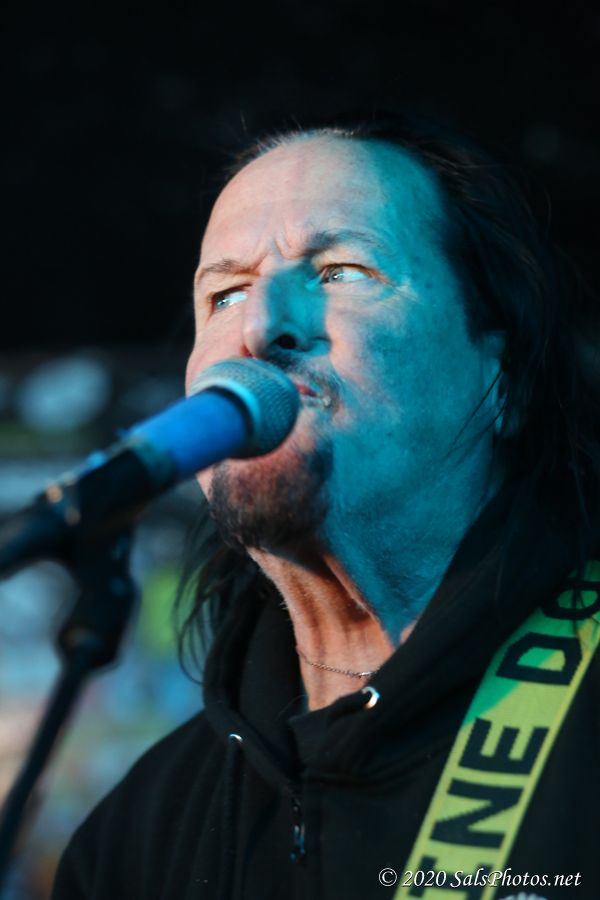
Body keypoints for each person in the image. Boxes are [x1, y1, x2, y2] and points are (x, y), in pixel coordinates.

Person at [52, 113, 600, 899]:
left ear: (501, 378)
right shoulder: (138, 835)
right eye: (226, 294)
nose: (261, 326)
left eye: (341, 271)